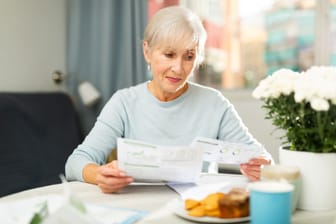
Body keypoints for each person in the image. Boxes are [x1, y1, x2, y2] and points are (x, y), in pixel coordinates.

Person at [65, 6, 273, 193]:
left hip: (194, 209)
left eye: (189, 56)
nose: (178, 68)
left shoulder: (215, 103)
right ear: (147, 51)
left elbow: (262, 159)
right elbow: (75, 163)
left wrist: (261, 167)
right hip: (139, 207)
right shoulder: (124, 102)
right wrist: (99, 174)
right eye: (169, 54)